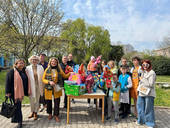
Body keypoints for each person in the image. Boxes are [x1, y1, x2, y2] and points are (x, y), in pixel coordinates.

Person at [42, 57, 70, 122]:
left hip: (57, 87)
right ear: (50, 62)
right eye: (52, 62)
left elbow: (65, 76)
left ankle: (56, 115)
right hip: (48, 88)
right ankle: (49, 114)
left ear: (57, 63)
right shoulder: (47, 69)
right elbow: (43, 79)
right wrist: (49, 82)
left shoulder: (59, 69)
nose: (53, 63)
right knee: (48, 101)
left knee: (57, 102)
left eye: (55, 62)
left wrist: (70, 73)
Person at [5, 59, 31, 128]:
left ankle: (15, 119)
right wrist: (7, 92)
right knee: (18, 107)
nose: (21, 64)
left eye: (22, 63)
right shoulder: (12, 71)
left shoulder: (24, 71)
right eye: (20, 63)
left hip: (21, 92)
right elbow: (8, 82)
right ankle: (20, 122)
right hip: (14, 93)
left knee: (16, 106)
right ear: (16, 64)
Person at [137, 60, 156, 128]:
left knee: (148, 108)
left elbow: (150, 84)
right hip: (142, 92)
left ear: (149, 65)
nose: (145, 66)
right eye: (143, 65)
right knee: (140, 107)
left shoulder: (152, 73)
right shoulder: (143, 72)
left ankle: (150, 123)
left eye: (146, 64)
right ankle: (141, 120)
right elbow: (141, 81)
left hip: (149, 94)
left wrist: (142, 79)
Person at [26, 55, 44, 120]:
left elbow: (43, 77)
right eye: (33, 59)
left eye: (35, 60)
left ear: (38, 61)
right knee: (31, 100)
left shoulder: (41, 67)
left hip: (38, 85)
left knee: (37, 99)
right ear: (30, 60)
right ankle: (32, 112)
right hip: (31, 86)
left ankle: (36, 112)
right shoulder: (27, 68)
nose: (34, 61)